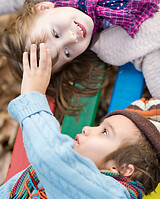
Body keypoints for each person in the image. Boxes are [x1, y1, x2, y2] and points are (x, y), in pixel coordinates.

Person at [0, 43, 160, 199]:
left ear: (122, 169)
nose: (87, 128)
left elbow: (52, 156)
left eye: (104, 133)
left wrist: (33, 97)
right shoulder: (49, 182)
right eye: (98, 126)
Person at [0, 0, 159, 116]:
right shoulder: (114, 45)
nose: (71, 38)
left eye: (55, 34)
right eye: (67, 53)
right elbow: (152, 64)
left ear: (44, 7)